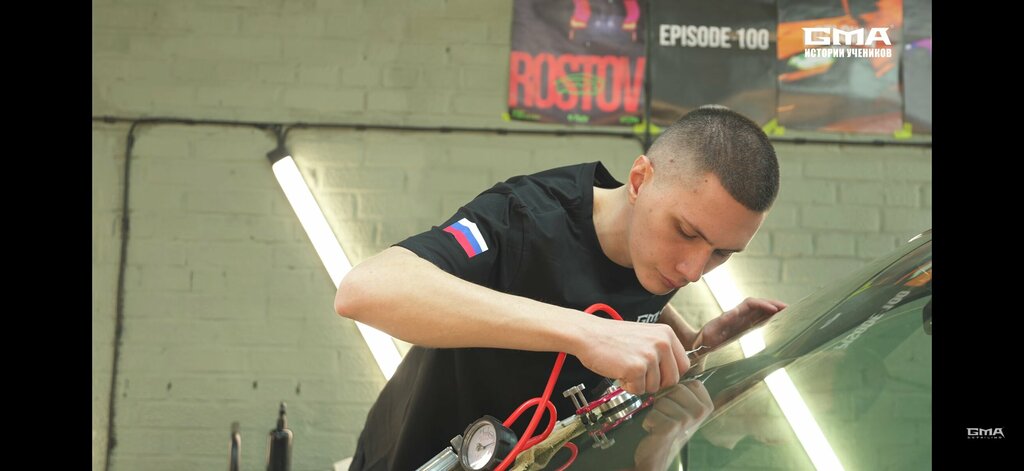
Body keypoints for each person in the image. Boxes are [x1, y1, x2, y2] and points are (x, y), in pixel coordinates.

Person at [335, 106, 788, 470]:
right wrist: (589, 333)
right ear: (639, 181)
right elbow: (365, 289)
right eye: (686, 232)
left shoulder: (655, 254)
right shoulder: (524, 219)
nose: (692, 271)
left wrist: (688, 348)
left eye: (721, 253)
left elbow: (614, 296)